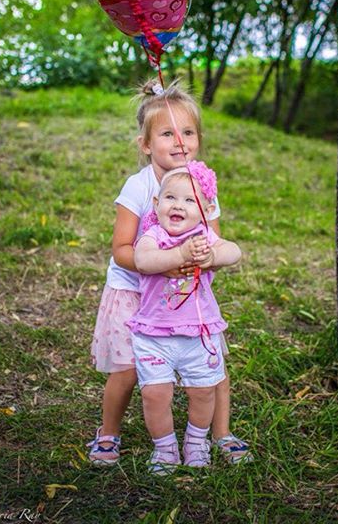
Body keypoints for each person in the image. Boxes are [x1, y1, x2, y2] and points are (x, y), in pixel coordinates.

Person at [88, 80, 252, 466]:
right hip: (133, 292)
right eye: (167, 134)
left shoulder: (203, 186)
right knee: (128, 368)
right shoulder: (138, 186)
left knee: (213, 366)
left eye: (188, 132)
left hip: (187, 297)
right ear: (146, 145)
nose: (180, 142)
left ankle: (221, 433)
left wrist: (207, 258)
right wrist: (165, 263)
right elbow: (121, 250)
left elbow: (214, 241)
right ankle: (109, 433)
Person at [129, 162, 242, 473]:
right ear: (157, 204)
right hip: (154, 333)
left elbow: (234, 251)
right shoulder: (153, 235)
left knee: (203, 392)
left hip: (198, 334)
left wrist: (213, 256)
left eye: (190, 200)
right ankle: (165, 448)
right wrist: (180, 254)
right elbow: (143, 260)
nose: (178, 205)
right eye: (170, 198)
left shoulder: (204, 236)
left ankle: (195, 442)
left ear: (206, 210)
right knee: (154, 394)